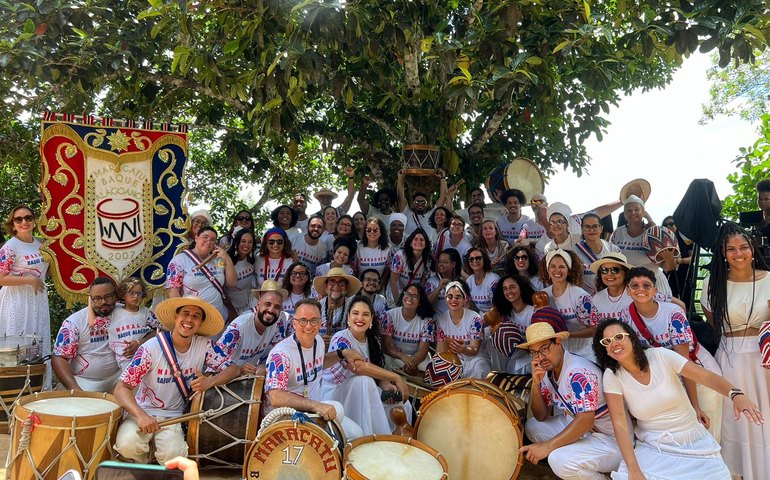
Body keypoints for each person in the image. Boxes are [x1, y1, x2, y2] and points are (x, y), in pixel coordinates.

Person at [593, 319, 763, 480]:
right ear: (604, 350)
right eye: (606, 342)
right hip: (654, 446)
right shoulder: (612, 376)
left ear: (631, 338)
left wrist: (736, 395)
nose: (614, 343)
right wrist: (634, 469)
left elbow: (705, 377)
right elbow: (620, 424)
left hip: (692, 441)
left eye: (618, 337)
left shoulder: (660, 356)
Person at [113, 296, 240, 463]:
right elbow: (121, 389)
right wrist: (140, 416)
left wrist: (210, 382)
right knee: (127, 445)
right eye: (185, 314)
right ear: (176, 317)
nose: (189, 319)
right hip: (142, 412)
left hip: (173, 416)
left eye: (196, 316)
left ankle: (154, 454)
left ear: (201, 323)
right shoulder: (150, 348)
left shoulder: (205, 346)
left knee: (174, 456)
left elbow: (233, 369)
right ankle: (144, 463)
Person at [701, 223, 770, 479]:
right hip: (729, 358)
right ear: (723, 252)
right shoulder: (712, 283)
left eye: (743, 247)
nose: (738, 253)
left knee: (766, 418)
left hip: (763, 359)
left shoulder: (769, 279)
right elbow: (713, 323)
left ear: (753, 249)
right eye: (731, 249)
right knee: (734, 422)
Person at [623, 266, 723, 441]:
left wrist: (695, 406)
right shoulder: (626, 317)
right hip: (671, 380)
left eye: (646, 285)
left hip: (698, 374)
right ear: (627, 290)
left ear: (655, 289)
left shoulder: (672, 314)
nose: (640, 289)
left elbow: (684, 362)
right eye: (635, 285)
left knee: (707, 431)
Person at [518, 322, 621, 480]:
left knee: (558, 460)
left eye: (544, 349)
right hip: (583, 431)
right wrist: (536, 384)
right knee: (533, 426)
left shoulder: (578, 372)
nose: (540, 357)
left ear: (558, 343)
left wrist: (547, 447)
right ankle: (577, 459)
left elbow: (586, 421)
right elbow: (541, 416)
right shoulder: (547, 370)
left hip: (611, 439)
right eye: (534, 353)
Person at [264, 298, 364, 439]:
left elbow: (318, 362)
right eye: (303, 320)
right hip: (285, 418)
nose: (309, 326)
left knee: (357, 434)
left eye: (314, 320)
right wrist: (316, 406)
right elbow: (276, 396)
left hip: (313, 413)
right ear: (294, 323)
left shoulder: (319, 341)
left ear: (320, 323)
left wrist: (342, 353)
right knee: (338, 408)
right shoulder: (281, 354)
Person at [322, 296, 411, 435]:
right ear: (348, 318)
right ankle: (372, 438)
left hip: (362, 389)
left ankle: (399, 439)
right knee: (363, 381)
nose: (360, 318)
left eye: (365, 314)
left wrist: (386, 385)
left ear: (371, 320)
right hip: (335, 393)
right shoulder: (340, 338)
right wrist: (396, 377)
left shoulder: (372, 341)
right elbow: (359, 368)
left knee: (402, 403)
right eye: (355, 313)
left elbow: (373, 369)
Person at [0, 205, 51, 387]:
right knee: (18, 346)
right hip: (16, 302)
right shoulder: (10, 247)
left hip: (37, 301)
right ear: (12, 224)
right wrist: (30, 281)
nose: (24, 222)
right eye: (18, 219)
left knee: (38, 342)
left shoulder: (41, 243)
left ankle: (40, 388)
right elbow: (1, 278)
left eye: (28, 218)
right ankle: (16, 390)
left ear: (34, 221)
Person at [52, 277, 122, 392]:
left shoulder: (127, 312)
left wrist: (140, 342)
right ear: (90, 299)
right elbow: (59, 358)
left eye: (108, 297)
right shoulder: (75, 322)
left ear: (116, 295)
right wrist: (74, 388)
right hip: (85, 381)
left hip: (118, 377)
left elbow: (156, 329)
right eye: (97, 298)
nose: (103, 302)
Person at [214, 280, 290, 376]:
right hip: (226, 379)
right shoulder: (238, 328)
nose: (271, 310)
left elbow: (275, 355)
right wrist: (239, 369)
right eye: (267, 304)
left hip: (249, 380)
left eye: (277, 307)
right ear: (258, 305)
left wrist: (264, 366)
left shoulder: (277, 324)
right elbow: (213, 364)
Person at [166, 226, 236, 322]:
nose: (209, 241)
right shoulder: (180, 260)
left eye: (213, 240)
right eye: (205, 237)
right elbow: (172, 291)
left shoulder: (218, 260)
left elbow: (231, 283)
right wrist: (182, 315)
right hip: (192, 317)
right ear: (196, 238)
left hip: (217, 315)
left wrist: (227, 258)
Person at [609, 195, 673, 296]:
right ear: (624, 214)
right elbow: (612, 261)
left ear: (643, 212)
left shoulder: (653, 234)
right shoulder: (617, 233)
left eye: (637, 209)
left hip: (653, 285)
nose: (633, 213)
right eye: (629, 210)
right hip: (626, 286)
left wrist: (669, 258)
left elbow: (668, 267)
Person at [540, 249, 595, 360]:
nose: (557, 270)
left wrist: (569, 334)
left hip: (584, 353)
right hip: (558, 354)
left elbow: (594, 329)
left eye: (562, 267)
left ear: (569, 270)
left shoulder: (581, 296)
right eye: (553, 266)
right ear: (547, 269)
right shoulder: (543, 296)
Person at [434, 281, 491, 379]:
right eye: (450, 296)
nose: (453, 300)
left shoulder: (475, 318)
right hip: (454, 361)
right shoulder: (440, 320)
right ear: (445, 299)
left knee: (480, 369)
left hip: (475, 360)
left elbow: (474, 349)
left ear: (465, 300)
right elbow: (440, 351)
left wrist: (464, 349)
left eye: (458, 297)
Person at [381, 284, 436, 374]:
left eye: (415, 296)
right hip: (395, 356)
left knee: (428, 368)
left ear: (420, 302)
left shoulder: (427, 322)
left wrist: (412, 362)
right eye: (408, 294)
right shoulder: (390, 315)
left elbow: (423, 350)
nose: (410, 298)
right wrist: (402, 356)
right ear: (403, 295)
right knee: (385, 360)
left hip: (416, 358)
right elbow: (385, 346)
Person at [108, 277, 158, 370]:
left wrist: (140, 342)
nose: (135, 296)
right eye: (131, 293)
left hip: (147, 356)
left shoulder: (146, 313)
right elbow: (93, 322)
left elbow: (158, 331)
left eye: (139, 293)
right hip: (126, 360)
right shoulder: (113, 312)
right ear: (123, 295)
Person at [490, 274, 536, 374]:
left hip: (534, 355)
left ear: (521, 288)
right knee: (494, 336)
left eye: (512, 287)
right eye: (505, 289)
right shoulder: (505, 313)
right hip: (517, 354)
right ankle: (497, 375)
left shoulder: (533, 312)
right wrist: (498, 327)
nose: (509, 292)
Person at [573, 213, 620, 295]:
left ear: (601, 228)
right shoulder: (575, 251)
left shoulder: (614, 250)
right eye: (587, 227)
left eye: (595, 226)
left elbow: (621, 276)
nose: (591, 230)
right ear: (582, 230)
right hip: (586, 298)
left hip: (610, 296)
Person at [396, 169, 448, 237]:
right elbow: (400, 197)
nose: (420, 204)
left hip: (428, 247)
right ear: (413, 204)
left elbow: (443, 198)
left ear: (427, 203)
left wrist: (443, 178)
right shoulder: (407, 214)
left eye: (423, 202)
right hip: (410, 246)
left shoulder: (432, 215)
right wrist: (400, 177)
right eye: (417, 202)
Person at [313, 267, 361, 338]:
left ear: (346, 288)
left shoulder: (354, 308)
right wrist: (320, 342)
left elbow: (358, 336)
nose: (336, 286)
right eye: (332, 282)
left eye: (341, 283)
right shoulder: (316, 309)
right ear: (326, 287)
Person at [389, 228, 434, 302]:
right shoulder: (400, 256)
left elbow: (422, 281)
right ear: (410, 243)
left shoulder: (428, 260)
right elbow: (393, 281)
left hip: (413, 297)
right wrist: (398, 301)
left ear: (426, 244)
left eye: (422, 240)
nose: (418, 241)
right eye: (415, 239)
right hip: (396, 294)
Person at [661, 215, 694, 307]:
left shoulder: (685, 238)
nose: (669, 227)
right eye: (666, 225)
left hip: (685, 272)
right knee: (670, 296)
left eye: (671, 224)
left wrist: (680, 261)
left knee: (687, 297)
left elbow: (693, 258)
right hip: (669, 273)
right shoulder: (662, 240)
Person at [225, 228, 257, 315]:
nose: (246, 245)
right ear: (236, 243)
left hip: (248, 305)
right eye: (243, 241)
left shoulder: (253, 258)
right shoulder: (224, 260)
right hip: (229, 308)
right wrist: (231, 311)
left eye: (250, 242)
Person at [426, 248, 462, 314]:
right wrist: (439, 288)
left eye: (445, 262)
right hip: (437, 320)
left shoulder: (460, 281)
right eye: (439, 261)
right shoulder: (431, 281)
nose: (441, 264)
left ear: (453, 264)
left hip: (455, 320)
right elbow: (426, 303)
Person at [463, 247, 499, 313]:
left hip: (496, 316)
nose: (475, 261)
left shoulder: (494, 281)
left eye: (478, 258)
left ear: (484, 260)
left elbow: (498, 306)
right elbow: (469, 306)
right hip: (481, 317)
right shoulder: (469, 281)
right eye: (471, 259)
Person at [356, 217, 391, 284]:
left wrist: (380, 286)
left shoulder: (388, 249)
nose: (372, 232)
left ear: (381, 232)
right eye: (368, 230)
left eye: (375, 230)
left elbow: (387, 271)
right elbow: (354, 271)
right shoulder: (358, 248)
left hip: (379, 287)